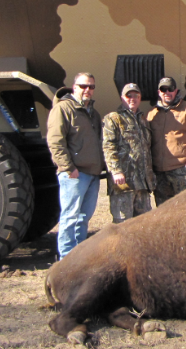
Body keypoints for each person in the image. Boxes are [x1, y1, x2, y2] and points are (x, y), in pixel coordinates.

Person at [47, 72, 103, 260]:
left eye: (91, 87)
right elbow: (55, 141)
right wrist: (68, 168)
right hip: (75, 174)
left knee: (83, 218)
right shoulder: (63, 109)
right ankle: (66, 258)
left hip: (92, 174)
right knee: (70, 217)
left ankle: (78, 258)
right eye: (83, 86)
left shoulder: (93, 114)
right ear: (74, 86)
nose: (87, 90)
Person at [147, 77, 186, 205]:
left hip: (181, 171)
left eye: (170, 89)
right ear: (159, 92)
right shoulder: (152, 114)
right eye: (163, 89)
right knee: (163, 213)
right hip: (160, 173)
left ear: (176, 91)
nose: (167, 92)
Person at [102, 83, 155, 224]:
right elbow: (108, 146)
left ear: (140, 98)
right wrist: (116, 171)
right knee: (123, 226)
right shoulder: (113, 118)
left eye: (136, 95)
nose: (132, 98)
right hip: (123, 184)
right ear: (122, 98)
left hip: (142, 184)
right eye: (128, 95)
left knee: (144, 225)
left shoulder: (143, 120)